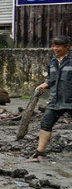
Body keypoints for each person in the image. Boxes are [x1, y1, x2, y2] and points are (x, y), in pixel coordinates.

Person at [28, 34, 72, 162]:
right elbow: (52, 79)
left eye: (58, 46)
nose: (55, 49)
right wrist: (44, 85)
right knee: (46, 123)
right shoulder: (53, 62)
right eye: (53, 46)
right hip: (56, 100)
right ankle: (39, 152)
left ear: (67, 47)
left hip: (70, 100)